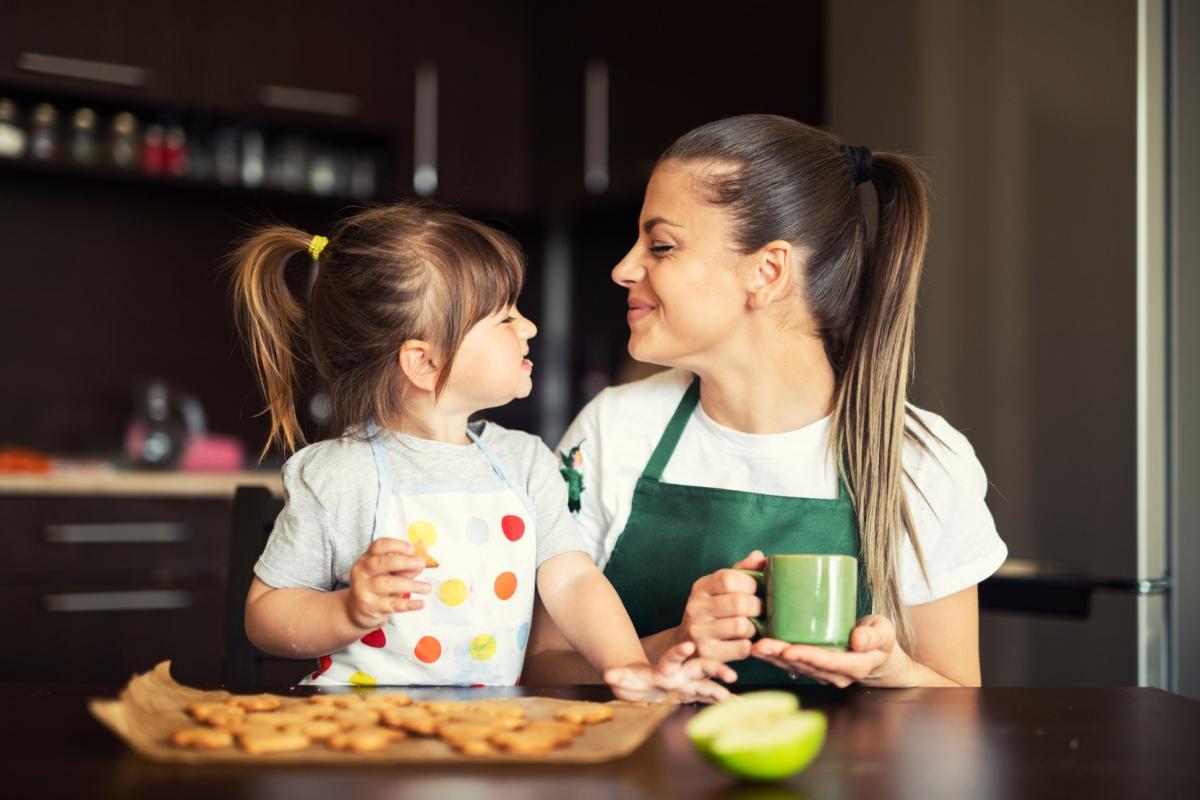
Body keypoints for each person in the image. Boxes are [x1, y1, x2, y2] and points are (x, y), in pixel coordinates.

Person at [524, 115, 1008, 688]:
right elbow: (540, 668)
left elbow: (961, 710)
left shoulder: (922, 462)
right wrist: (670, 646)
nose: (624, 268)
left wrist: (889, 669)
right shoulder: (611, 430)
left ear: (768, 271)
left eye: (661, 245)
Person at [228, 202, 732, 701]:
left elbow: (574, 580)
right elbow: (265, 613)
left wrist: (625, 664)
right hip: (361, 740)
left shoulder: (526, 462)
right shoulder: (339, 475)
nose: (529, 328)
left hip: (487, 728)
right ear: (425, 362)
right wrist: (347, 611)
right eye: (505, 318)